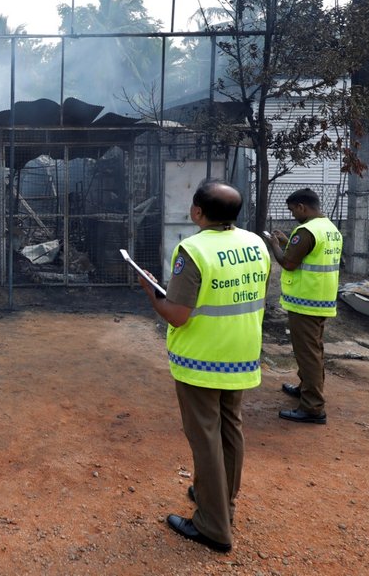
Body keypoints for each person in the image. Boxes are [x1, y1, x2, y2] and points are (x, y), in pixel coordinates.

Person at [136, 179, 269, 554]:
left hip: (202, 359)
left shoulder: (192, 250)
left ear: (197, 212)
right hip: (241, 353)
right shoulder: (255, 244)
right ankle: (222, 498)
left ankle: (213, 526)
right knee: (230, 429)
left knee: (205, 437)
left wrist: (152, 292)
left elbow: (177, 316)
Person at [265, 188, 342, 425]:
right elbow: (312, 255)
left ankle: (312, 407)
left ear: (302, 207)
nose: (292, 215)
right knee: (314, 350)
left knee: (308, 354)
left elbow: (288, 263)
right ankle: (306, 388)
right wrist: (289, 241)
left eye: (292, 210)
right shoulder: (330, 229)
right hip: (321, 300)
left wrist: (274, 244)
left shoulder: (306, 231)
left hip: (305, 303)